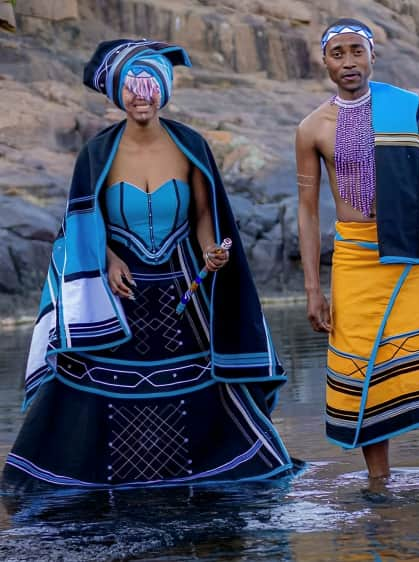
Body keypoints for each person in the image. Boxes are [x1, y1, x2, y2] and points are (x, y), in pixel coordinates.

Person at [2, 39, 298, 490]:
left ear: (164, 89)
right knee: (91, 390)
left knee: (205, 390)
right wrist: (108, 257)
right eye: (131, 86)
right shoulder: (96, 154)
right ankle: (85, 484)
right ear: (118, 92)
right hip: (117, 297)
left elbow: (204, 215)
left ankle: (205, 478)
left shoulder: (191, 146)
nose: (141, 95)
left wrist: (211, 253)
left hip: (183, 295)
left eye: (150, 84)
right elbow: (82, 223)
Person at [295, 19, 419, 485]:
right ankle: (379, 483)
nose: (348, 62)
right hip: (353, 258)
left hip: (412, 254)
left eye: (357, 51)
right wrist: (314, 290)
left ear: (373, 56)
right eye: (338, 53)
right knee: (363, 367)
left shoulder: (409, 109)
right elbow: (308, 211)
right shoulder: (312, 128)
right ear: (325, 62)